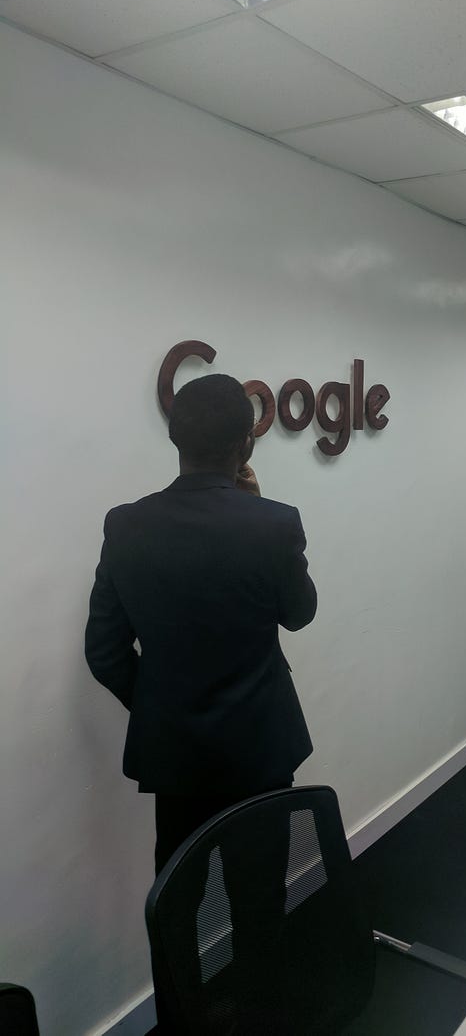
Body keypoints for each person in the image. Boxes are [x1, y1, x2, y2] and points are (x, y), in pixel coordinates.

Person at [85, 373, 317, 1028]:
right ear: (246, 444)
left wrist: (163, 707)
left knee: (177, 901)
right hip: (260, 752)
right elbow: (300, 613)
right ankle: (262, 1018)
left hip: (177, 758)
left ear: (174, 439)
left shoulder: (126, 525)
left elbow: (104, 651)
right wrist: (256, 507)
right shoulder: (273, 522)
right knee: (259, 902)